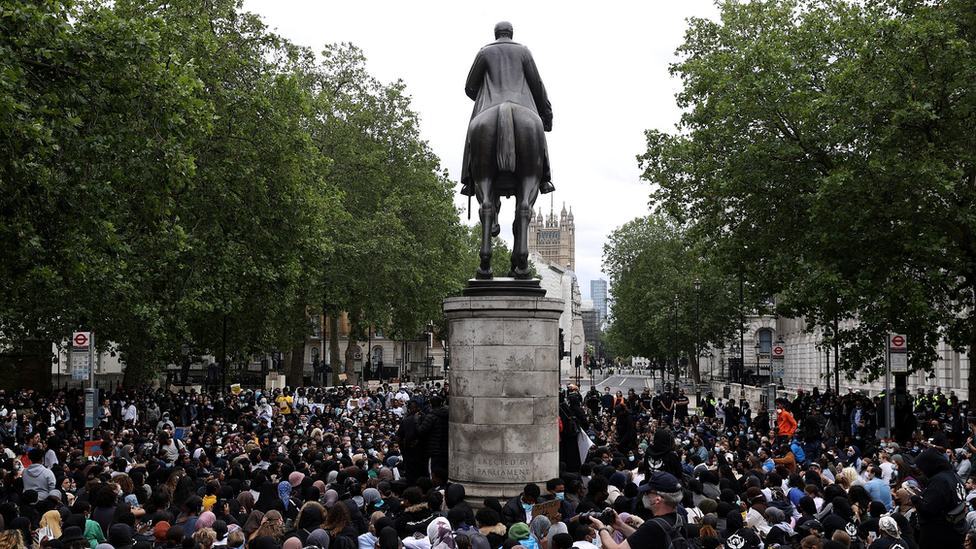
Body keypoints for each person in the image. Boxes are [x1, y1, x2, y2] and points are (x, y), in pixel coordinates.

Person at [460, 21, 553, 198]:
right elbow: (537, 86)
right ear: (511, 34)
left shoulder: (484, 52)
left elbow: (470, 86)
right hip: (523, 105)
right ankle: (544, 180)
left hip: (489, 107)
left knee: (472, 134)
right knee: (537, 128)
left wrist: (484, 99)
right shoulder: (524, 52)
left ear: (496, 34)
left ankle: (469, 181)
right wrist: (547, 116)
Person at [589, 472, 683, 549]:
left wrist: (602, 528)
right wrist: (620, 526)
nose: (645, 496)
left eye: (648, 492)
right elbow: (642, 537)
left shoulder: (652, 526)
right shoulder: (679, 519)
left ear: (657, 499)